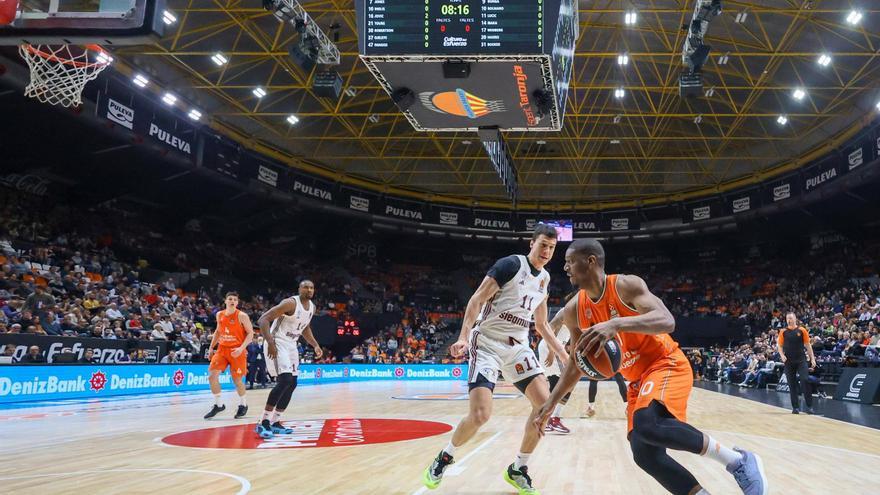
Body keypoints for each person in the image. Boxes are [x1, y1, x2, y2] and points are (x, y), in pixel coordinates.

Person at [536, 239, 767, 495]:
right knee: (644, 454)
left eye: (570, 261)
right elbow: (576, 364)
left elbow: (667, 321)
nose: (565, 267)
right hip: (637, 380)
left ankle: (737, 461)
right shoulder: (574, 310)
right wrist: (551, 405)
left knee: (647, 424)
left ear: (590, 261)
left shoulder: (625, 285)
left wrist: (616, 324)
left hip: (665, 363)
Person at [422, 224, 569, 495]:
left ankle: (518, 468)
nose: (547, 251)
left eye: (552, 247)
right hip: (487, 342)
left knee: (544, 407)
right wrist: (464, 336)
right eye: (543, 245)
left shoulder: (545, 279)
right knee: (480, 415)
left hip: (518, 347)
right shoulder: (510, 265)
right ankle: (444, 457)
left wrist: (563, 354)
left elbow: (542, 325)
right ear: (531, 244)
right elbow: (476, 300)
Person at [254, 280, 322, 438]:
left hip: (292, 345)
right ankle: (263, 422)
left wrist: (315, 345)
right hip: (277, 342)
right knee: (284, 380)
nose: (309, 290)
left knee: (292, 383)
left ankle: (275, 422)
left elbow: (304, 327)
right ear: (299, 289)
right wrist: (270, 341)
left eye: (312, 287)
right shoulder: (290, 303)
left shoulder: (312, 307)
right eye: (306, 287)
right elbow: (263, 319)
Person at [204, 292, 254, 420]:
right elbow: (218, 331)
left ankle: (243, 404)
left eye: (235, 299)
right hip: (222, 349)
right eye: (230, 299)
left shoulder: (242, 316)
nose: (232, 301)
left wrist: (241, 348)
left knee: (237, 380)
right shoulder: (219, 314)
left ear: (237, 303)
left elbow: (250, 334)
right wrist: (211, 347)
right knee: (212, 376)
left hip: (237, 350)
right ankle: (218, 405)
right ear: (225, 301)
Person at [777, 312, 817, 414]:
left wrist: (812, 359)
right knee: (792, 384)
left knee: (805, 380)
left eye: (790, 318)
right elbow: (780, 346)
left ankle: (810, 406)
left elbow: (808, 346)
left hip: (801, 360)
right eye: (787, 318)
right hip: (788, 361)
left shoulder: (802, 330)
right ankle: (795, 407)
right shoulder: (783, 332)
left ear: (795, 318)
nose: (789, 320)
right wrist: (782, 355)